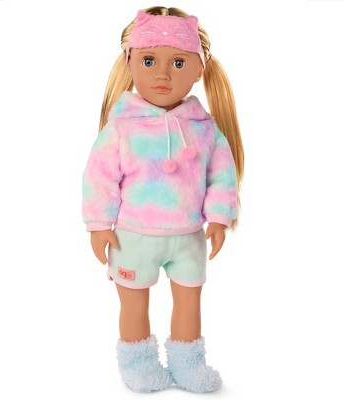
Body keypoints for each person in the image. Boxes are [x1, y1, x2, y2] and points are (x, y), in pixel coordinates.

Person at [82, 6, 244, 393]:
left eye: (178, 63)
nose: (163, 74)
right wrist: (99, 225)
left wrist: (219, 217)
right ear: (129, 62)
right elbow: (99, 177)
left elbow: (222, 174)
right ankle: (138, 365)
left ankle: (188, 365)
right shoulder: (122, 126)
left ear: (199, 69)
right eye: (149, 60)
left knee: (189, 302)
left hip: (188, 236)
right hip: (133, 236)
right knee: (133, 304)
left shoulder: (204, 128)